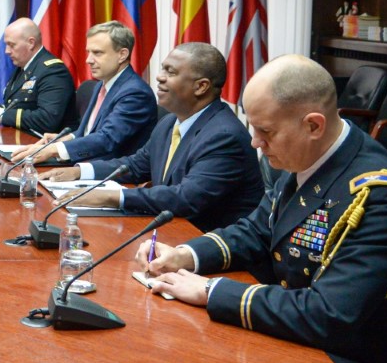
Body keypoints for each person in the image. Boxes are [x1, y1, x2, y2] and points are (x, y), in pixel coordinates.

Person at [139, 54, 387, 363]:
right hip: (308, 343)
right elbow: (257, 231)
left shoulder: (379, 196)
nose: (255, 142)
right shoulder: (308, 154)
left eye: (265, 131)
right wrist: (186, 255)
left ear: (313, 125)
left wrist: (211, 291)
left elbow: (329, 314)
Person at [42, 43, 260, 232]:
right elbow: (135, 166)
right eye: (163, 68)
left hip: (207, 245)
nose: (159, 77)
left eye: (170, 72)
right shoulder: (169, 122)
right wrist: (79, 172)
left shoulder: (223, 136)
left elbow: (186, 198)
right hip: (171, 233)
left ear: (201, 86)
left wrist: (110, 197)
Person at [10, 20, 156, 164]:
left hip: (109, 172)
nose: (88, 60)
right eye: (88, 52)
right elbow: (89, 132)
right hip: (85, 162)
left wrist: (54, 149)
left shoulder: (135, 93)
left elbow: (106, 139)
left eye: (97, 53)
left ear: (122, 55)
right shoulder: (102, 85)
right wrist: (65, 139)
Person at [0, 17, 77, 135]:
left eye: (12, 45)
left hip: (43, 141)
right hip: (19, 137)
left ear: (31, 43)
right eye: (6, 45)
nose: (7, 51)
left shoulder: (53, 71)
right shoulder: (24, 67)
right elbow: (17, 106)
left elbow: (47, 119)